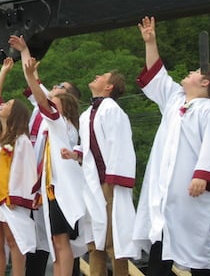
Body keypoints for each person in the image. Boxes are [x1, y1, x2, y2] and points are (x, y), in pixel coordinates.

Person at [133, 16, 210, 276]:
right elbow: (158, 77)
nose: (189, 72)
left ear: (206, 82)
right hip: (166, 194)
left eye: (196, 72)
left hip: (192, 194)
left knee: (198, 253)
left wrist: (203, 175)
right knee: (160, 247)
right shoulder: (175, 101)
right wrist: (150, 42)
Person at [9, 35, 88, 276]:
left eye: (57, 91)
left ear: (67, 101)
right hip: (48, 186)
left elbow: (40, 94)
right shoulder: (60, 122)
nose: (49, 97)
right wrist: (24, 51)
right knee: (54, 243)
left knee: (61, 243)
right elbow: (36, 87)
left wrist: (30, 71)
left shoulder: (60, 122)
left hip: (61, 190)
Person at [61, 70, 140, 276]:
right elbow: (90, 146)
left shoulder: (112, 111)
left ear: (109, 87)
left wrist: (113, 181)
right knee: (95, 237)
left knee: (113, 237)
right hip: (92, 183)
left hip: (109, 182)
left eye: (103, 76)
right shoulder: (87, 114)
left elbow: (119, 145)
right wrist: (76, 154)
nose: (96, 76)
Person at [0, 57, 37, 276]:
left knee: (14, 240)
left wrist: (19, 197)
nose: (2, 106)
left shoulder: (21, 140)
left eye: (8, 105)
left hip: (10, 196)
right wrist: (3, 71)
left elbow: (27, 171)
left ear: (15, 113)